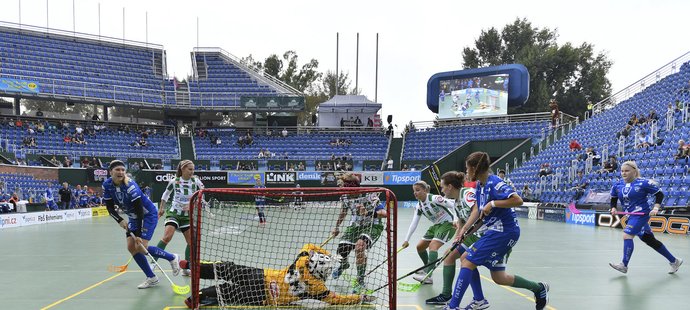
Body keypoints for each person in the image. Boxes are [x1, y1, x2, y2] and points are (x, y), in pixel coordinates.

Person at [445, 152, 548, 310]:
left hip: (504, 231)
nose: (466, 172)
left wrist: (492, 203)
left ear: (475, 168)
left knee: (467, 260)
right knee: (499, 277)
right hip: (495, 231)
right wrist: (464, 234)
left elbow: (517, 200)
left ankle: (453, 306)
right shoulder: (480, 186)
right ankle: (538, 288)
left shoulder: (495, 182)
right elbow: (481, 217)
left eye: (467, 168)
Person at [181, 243, 374, 308]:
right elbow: (337, 300)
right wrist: (360, 298)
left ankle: (192, 267)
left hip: (263, 276)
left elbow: (309, 245)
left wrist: (328, 253)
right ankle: (198, 296)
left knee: (228, 269)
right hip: (266, 298)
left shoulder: (301, 262)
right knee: (229, 292)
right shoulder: (319, 289)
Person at [103, 160, 181, 289]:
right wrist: (120, 220)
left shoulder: (130, 186)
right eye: (117, 170)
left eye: (123, 170)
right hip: (133, 217)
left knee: (141, 247)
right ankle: (152, 277)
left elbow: (140, 210)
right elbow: (110, 208)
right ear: (110, 172)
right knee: (131, 247)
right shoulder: (107, 185)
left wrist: (138, 234)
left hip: (147, 215)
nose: (121, 172)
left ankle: (172, 257)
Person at [608, 161, 683, 274]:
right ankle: (674, 261)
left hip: (641, 214)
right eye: (622, 171)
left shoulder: (643, 183)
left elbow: (659, 194)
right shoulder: (617, 185)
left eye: (627, 171)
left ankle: (624, 265)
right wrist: (613, 208)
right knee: (649, 240)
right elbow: (613, 198)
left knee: (627, 235)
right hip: (630, 215)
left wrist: (656, 208)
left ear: (634, 171)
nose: (624, 173)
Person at [331, 173, 387, 293]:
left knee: (360, 247)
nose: (347, 193)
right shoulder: (345, 197)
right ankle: (343, 265)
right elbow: (343, 212)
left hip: (372, 225)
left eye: (349, 189)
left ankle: (360, 281)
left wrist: (367, 213)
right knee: (341, 250)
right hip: (355, 226)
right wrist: (336, 227)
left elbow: (384, 213)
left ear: (355, 187)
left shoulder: (369, 194)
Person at [401, 181, 456, 287]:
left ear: (425, 190)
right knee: (420, 247)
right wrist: (406, 240)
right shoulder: (419, 206)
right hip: (436, 226)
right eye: (414, 191)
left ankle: (428, 276)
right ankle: (427, 267)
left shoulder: (434, 198)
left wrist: (456, 219)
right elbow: (414, 223)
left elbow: (453, 205)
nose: (415, 193)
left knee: (433, 246)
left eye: (418, 190)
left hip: (448, 223)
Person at [156, 160, 205, 277]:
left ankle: (186, 268)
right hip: (173, 213)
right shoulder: (174, 181)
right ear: (182, 169)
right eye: (190, 169)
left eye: (193, 169)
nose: (192, 171)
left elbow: (202, 195)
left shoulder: (196, 181)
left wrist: (193, 204)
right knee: (167, 237)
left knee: (191, 242)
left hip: (187, 216)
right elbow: (165, 195)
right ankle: (153, 263)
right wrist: (161, 208)